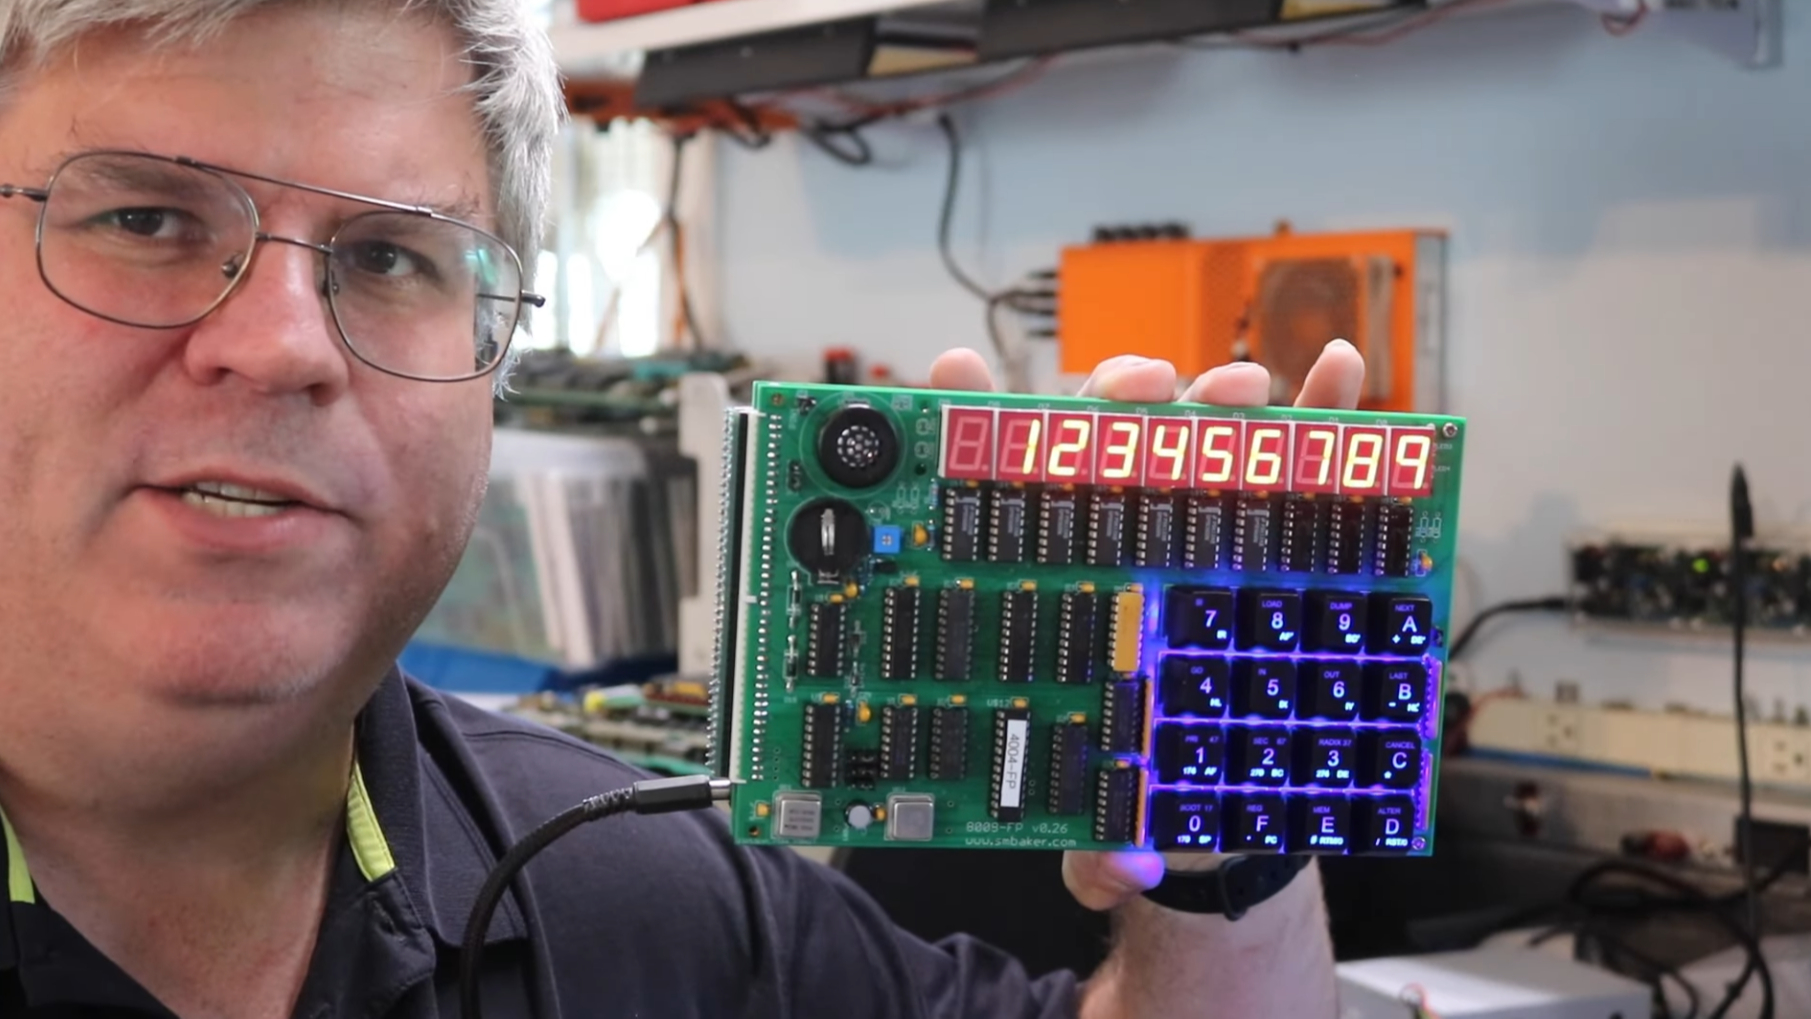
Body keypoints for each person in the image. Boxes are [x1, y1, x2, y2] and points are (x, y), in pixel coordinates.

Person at [0, 2, 1363, 1016]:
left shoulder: (636, 890)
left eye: (389, 256)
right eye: (146, 220)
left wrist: (1225, 813)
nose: (284, 344)